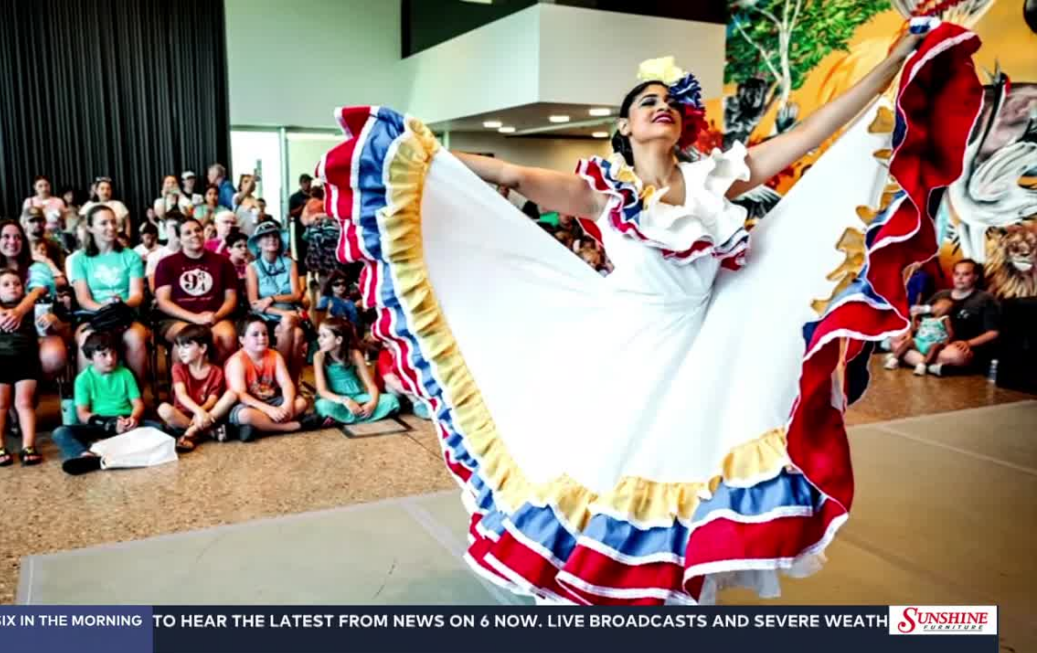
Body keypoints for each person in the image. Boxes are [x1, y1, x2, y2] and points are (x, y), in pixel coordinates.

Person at [317, 23, 980, 604]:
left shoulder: (717, 179)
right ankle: (581, 584)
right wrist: (426, 160)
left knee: (688, 468)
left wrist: (891, 67)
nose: (661, 108)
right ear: (626, 127)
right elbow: (511, 174)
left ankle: (671, 591)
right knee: (601, 473)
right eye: (647, 102)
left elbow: (810, 132)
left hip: (700, 349)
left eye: (667, 102)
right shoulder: (603, 191)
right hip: (619, 351)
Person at [0, 219, 68, 389]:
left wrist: (18, 311)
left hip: (34, 328)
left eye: (17, 237)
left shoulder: (37, 267)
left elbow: (38, 290)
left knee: (55, 355)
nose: (12, 242)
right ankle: (5, 403)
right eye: (6, 236)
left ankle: (30, 394)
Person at [49, 331, 154, 476]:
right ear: (91, 358)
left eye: (113, 353)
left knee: (158, 427)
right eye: (103, 355)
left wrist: (134, 418)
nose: (110, 359)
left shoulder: (126, 373)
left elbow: (138, 404)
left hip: (127, 421)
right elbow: (82, 414)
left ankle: (105, 447)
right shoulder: (83, 379)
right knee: (60, 432)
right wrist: (108, 423)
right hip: (99, 422)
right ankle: (86, 456)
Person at [0, 269, 51, 466]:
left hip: (26, 359)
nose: (13, 288)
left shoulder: (30, 307)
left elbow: (43, 328)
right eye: (6, 284)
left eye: (17, 284)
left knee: (24, 403)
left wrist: (49, 321)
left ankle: (28, 445)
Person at [69, 204, 149, 383]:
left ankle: (135, 397)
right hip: (94, 316)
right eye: (103, 223)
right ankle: (87, 402)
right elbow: (83, 299)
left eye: (113, 222)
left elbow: (137, 295)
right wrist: (107, 308)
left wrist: (120, 306)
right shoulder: (79, 259)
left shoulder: (131, 256)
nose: (111, 227)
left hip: (126, 314)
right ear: (90, 228)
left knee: (135, 338)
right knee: (86, 339)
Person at [887, 259, 1001, 375]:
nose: (960, 278)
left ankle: (912, 359)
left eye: (965, 274)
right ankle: (930, 366)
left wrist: (968, 343)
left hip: (952, 347)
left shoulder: (985, 299)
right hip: (927, 341)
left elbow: (993, 333)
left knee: (956, 355)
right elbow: (922, 318)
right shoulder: (940, 294)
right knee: (896, 340)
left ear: (975, 277)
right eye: (957, 274)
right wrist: (910, 330)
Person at [153, 217, 239, 359]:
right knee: (187, 338)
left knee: (227, 336)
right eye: (187, 233)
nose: (194, 234)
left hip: (215, 317)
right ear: (179, 239)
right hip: (176, 319)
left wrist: (215, 316)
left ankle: (221, 379)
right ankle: (181, 381)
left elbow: (231, 298)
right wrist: (195, 318)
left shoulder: (223, 262)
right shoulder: (166, 264)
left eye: (198, 230)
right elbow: (163, 302)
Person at [224, 319, 319, 442]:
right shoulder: (237, 361)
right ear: (242, 340)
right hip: (249, 404)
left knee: (301, 402)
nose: (262, 337)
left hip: (271, 400)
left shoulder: (275, 355)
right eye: (255, 334)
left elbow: (286, 383)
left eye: (265, 333)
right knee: (245, 415)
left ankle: (259, 427)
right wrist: (269, 410)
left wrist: (288, 404)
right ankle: (290, 427)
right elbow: (241, 395)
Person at [246, 221, 307, 381]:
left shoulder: (289, 263)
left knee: (296, 330)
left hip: (291, 312)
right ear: (258, 243)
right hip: (266, 316)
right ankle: (286, 380)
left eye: (275, 236)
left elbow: (297, 294)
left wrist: (271, 298)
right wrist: (282, 312)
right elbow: (254, 303)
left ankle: (285, 382)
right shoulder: (252, 267)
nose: (272, 239)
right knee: (296, 333)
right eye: (266, 236)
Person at [157, 324, 234, 451]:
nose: (180, 351)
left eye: (186, 346)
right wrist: (198, 411)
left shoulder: (216, 371)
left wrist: (201, 412)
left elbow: (212, 400)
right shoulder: (178, 368)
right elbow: (181, 395)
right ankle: (209, 432)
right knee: (164, 409)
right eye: (179, 346)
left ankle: (191, 432)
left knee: (231, 395)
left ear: (203, 348)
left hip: (206, 414)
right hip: (183, 416)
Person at [312, 317, 400, 425]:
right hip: (335, 400)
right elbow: (322, 391)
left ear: (338, 340)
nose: (319, 339)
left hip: (358, 397)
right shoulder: (319, 356)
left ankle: (342, 418)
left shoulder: (354, 354)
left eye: (324, 336)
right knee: (323, 406)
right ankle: (358, 416)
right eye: (319, 335)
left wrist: (372, 404)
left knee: (391, 399)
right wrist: (345, 401)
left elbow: (371, 386)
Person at [889, 297, 954, 376]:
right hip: (919, 342)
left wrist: (945, 343)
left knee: (935, 347)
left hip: (932, 344)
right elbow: (914, 329)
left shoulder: (944, 318)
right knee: (908, 342)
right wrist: (913, 317)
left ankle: (923, 365)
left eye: (936, 305)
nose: (933, 306)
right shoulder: (926, 317)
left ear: (945, 308)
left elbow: (950, 332)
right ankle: (895, 358)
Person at [147, 212, 184, 291]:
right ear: (164, 230)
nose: (176, 231)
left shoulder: (194, 254)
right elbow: (153, 289)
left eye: (179, 227)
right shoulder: (154, 257)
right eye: (172, 227)